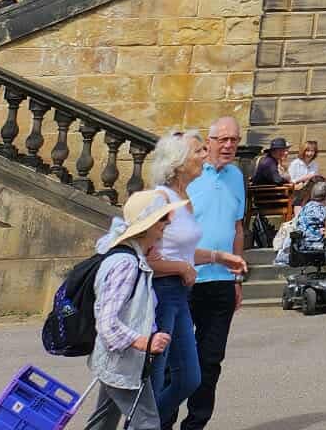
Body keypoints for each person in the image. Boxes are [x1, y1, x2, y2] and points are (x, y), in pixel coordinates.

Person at [85, 187, 188, 430]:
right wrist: (144, 342)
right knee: (147, 423)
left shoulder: (132, 257)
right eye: (163, 219)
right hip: (120, 360)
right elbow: (107, 322)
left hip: (118, 360)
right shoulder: (126, 263)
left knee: (104, 422)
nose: (167, 223)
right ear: (148, 225)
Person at [180, 115, 248, 430]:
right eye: (223, 139)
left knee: (210, 360)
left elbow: (237, 227)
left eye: (234, 140)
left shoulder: (236, 177)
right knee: (172, 359)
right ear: (209, 142)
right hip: (186, 279)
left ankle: (195, 424)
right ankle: (160, 421)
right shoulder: (189, 173)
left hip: (222, 281)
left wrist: (237, 276)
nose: (229, 145)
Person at [142, 132, 213, 428]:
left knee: (188, 379)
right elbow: (144, 256)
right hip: (160, 293)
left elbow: (183, 250)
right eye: (199, 150)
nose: (205, 155)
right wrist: (181, 269)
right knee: (155, 379)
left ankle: (143, 424)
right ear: (178, 161)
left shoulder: (185, 198)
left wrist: (219, 258)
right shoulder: (160, 198)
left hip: (179, 296)